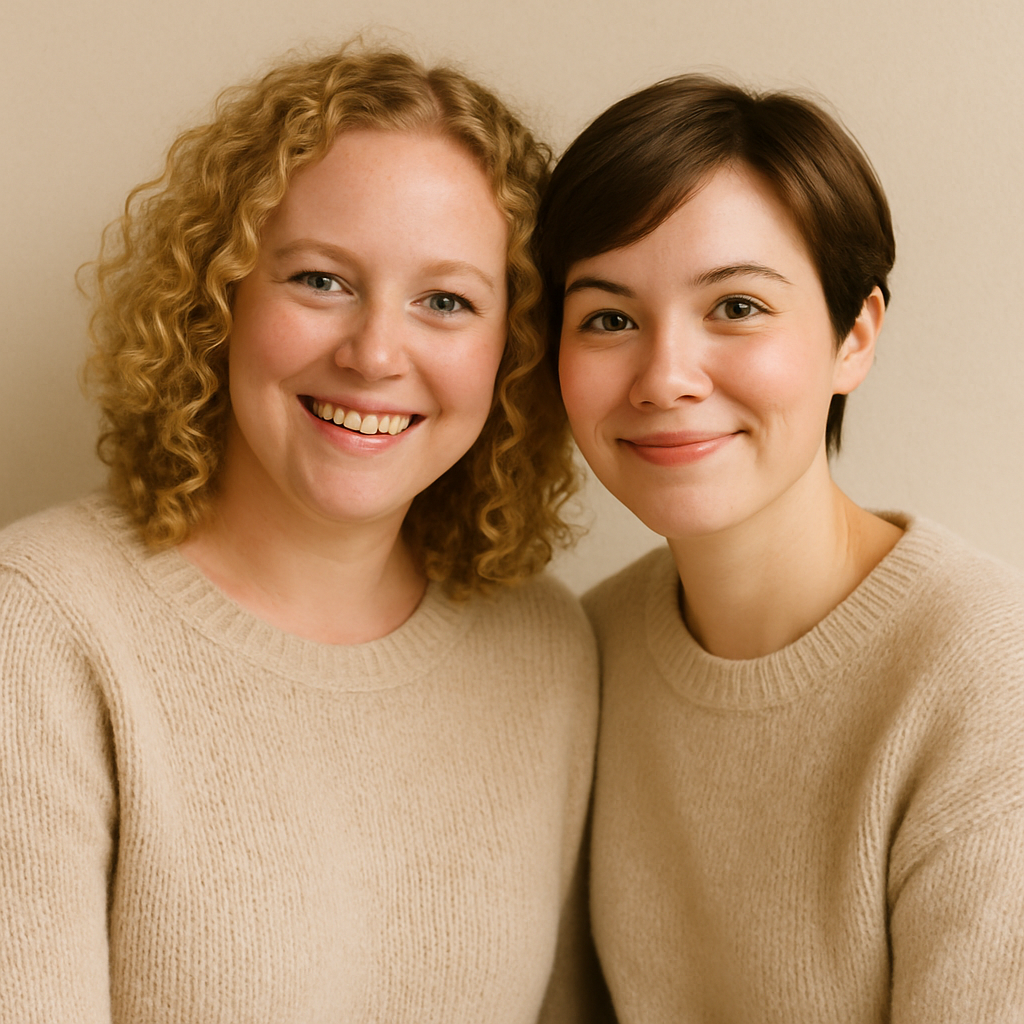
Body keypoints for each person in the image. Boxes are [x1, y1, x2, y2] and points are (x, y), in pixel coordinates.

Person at [0, 43, 602, 1023]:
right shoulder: (40, 624)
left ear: (514, 351)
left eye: (445, 301)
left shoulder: (548, 647)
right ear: (220, 298)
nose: (373, 353)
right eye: (321, 279)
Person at [536, 74, 1024, 1022]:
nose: (665, 376)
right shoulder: (590, 647)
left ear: (855, 336)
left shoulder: (987, 677)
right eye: (608, 318)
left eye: (737, 308)